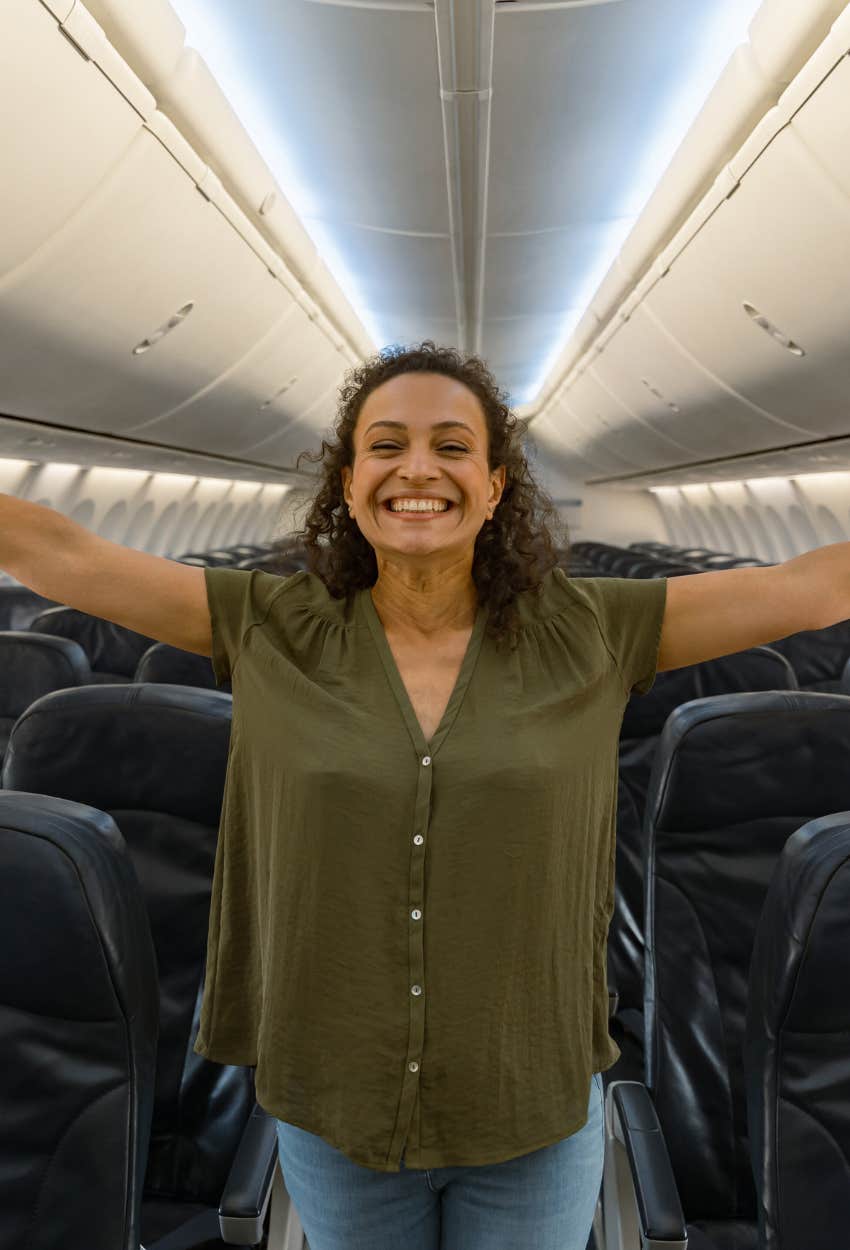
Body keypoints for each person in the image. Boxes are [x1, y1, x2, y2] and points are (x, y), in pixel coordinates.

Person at [2, 341, 848, 1250]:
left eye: (451, 447)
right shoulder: (267, 624)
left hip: (530, 1101)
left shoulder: (595, 629)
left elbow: (803, 586)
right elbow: (64, 553)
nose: (418, 469)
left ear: (493, 486)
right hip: (339, 1101)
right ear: (348, 479)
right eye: (386, 445)